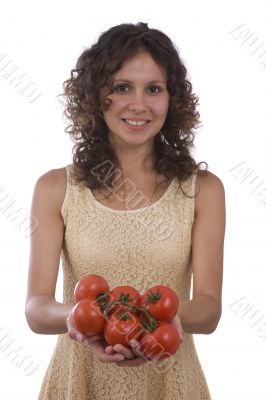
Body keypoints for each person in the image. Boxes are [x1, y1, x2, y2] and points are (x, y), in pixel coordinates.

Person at [25, 22, 226, 400]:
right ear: (95, 96)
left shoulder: (204, 191)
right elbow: (36, 308)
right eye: (121, 88)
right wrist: (78, 320)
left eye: (154, 89)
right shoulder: (55, 188)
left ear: (173, 98)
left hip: (172, 383)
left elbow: (210, 309)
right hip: (78, 381)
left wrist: (155, 326)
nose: (139, 104)